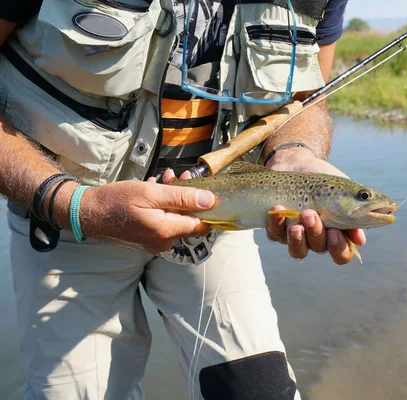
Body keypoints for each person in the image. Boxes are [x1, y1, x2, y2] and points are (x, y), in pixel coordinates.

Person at [0, 0, 365, 399]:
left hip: (215, 220)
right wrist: (73, 205)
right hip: (66, 217)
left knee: (258, 389)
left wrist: (296, 152)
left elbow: (306, 98)